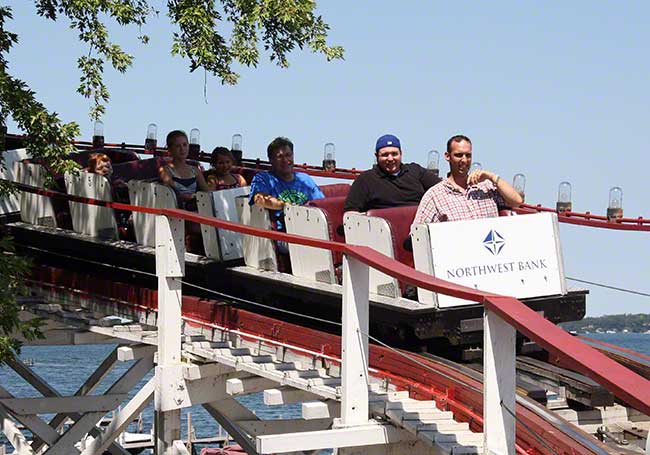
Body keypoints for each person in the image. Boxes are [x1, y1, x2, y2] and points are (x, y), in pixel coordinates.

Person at [413, 135, 523, 224]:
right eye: (459, 155)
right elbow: (417, 235)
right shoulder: (435, 196)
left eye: (468, 155)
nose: (464, 160)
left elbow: (517, 201)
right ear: (447, 156)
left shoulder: (486, 187)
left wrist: (492, 177)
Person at [343, 134, 440, 213]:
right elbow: (351, 213)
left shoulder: (416, 171)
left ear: (401, 154)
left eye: (394, 154)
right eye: (385, 155)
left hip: (419, 227)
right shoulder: (365, 180)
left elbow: (441, 189)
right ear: (376, 156)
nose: (390, 159)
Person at [249, 136, 324, 231]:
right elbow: (259, 199)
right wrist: (288, 207)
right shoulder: (263, 178)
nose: (285, 160)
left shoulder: (305, 179)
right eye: (280, 157)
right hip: (283, 234)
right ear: (271, 160)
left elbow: (321, 203)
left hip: (309, 228)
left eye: (288, 155)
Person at [158, 130, 209, 210]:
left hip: (195, 209)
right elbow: (172, 194)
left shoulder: (195, 170)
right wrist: (192, 197)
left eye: (185, 145)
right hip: (176, 212)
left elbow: (207, 191)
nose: (182, 149)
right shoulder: (165, 170)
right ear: (170, 149)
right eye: (178, 146)